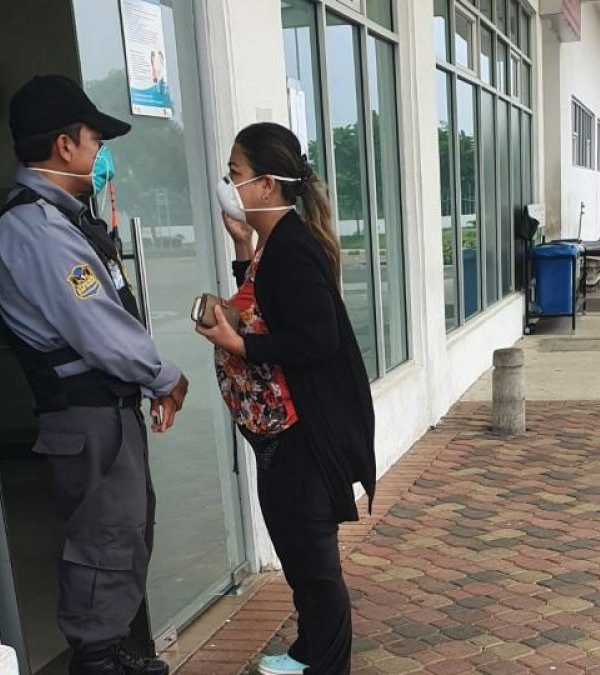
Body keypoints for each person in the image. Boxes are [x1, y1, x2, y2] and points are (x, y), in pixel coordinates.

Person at [0, 74, 189, 675]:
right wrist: (164, 376)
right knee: (104, 541)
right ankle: (97, 660)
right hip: (86, 411)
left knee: (123, 532)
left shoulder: (62, 220)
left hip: (104, 410)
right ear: (63, 146)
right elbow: (99, 328)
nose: (101, 154)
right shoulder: (38, 231)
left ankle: (110, 652)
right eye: (96, 141)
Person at [197, 122, 376, 675]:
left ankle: (327, 666)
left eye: (235, 174)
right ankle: (306, 653)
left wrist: (239, 342)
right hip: (283, 435)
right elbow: (264, 301)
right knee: (301, 560)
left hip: (303, 438)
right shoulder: (275, 244)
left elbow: (316, 339)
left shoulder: (293, 250)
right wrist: (242, 248)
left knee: (315, 568)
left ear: (268, 185)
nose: (228, 184)